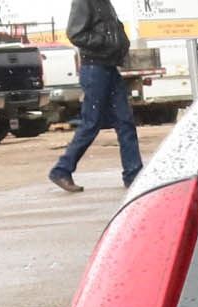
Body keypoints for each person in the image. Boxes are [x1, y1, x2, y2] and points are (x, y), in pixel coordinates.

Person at [49, 0, 141, 193]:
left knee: (125, 121)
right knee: (91, 122)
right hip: (94, 68)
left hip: (109, 67)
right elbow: (75, 33)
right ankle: (62, 170)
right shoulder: (84, 2)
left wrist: (120, 43)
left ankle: (134, 175)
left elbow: (113, 29)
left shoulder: (104, 3)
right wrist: (104, 42)